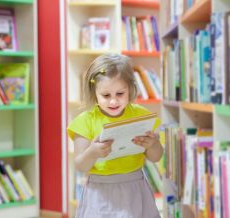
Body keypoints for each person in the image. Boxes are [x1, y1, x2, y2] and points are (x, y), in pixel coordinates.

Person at [67, 54, 163, 218]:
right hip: (100, 192)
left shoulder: (141, 116)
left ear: (130, 89)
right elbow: (80, 165)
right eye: (106, 95)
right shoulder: (85, 121)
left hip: (135, 188)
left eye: (120, 93)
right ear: (94, 92)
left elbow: (156, 157)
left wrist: (152, 145)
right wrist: (92, 152)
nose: (113, 101)